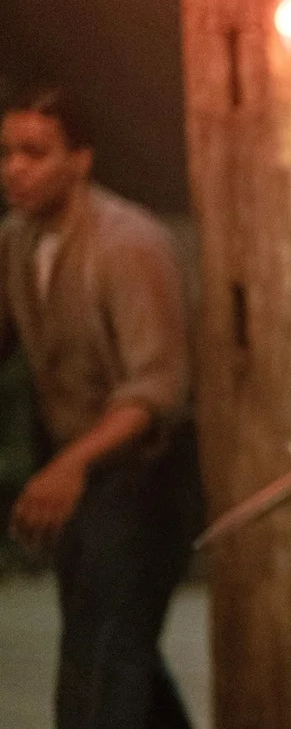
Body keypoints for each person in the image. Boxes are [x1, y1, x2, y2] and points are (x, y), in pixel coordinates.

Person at [1, 86, 197, 728]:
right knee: (106, 643)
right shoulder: (18, 241)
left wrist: (69, 467)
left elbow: (157, 389)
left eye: (35, 153)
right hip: (78, 471)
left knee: (105, 659)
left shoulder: (128, 243)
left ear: (80, 160)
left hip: (145, 474)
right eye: (6, 153)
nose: (14, 169)